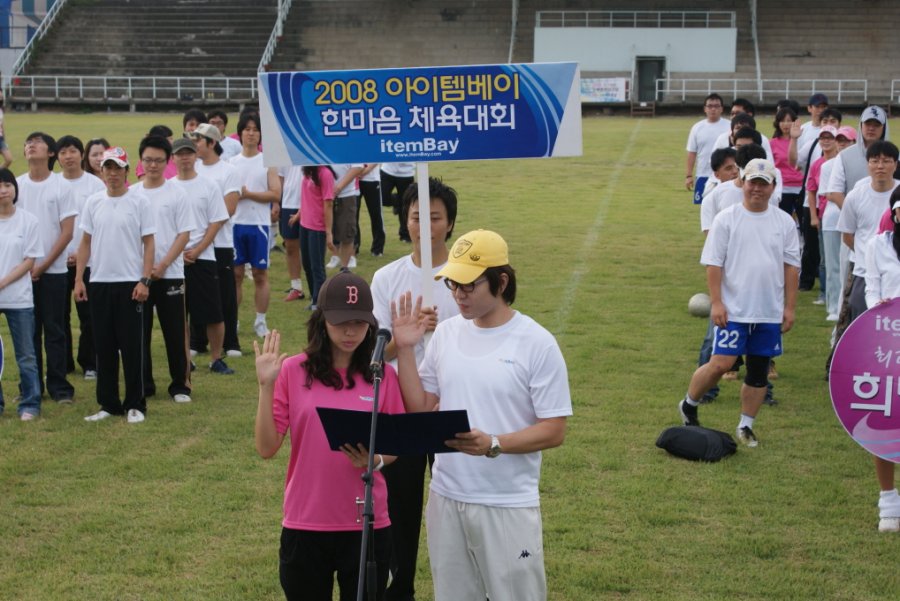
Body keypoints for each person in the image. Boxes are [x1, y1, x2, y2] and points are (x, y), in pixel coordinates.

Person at [391, 229, 572, 601]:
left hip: (506, 502)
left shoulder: (537, 343)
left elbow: (554, 430)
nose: (458, 295)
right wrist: (406, 350)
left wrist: (493, 443)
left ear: (501, 281)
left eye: (469, 286)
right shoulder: (445, 335)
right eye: (454, 285)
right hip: (446, 496)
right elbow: (420, 408)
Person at [254, 271, 405, 601]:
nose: (350, 331)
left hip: (367, 522)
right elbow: (267, 447)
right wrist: (266, 387)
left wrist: (375, 460)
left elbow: (394, 444)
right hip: (307, 521)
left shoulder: (383, 376)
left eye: (359, 322)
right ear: (322, 321)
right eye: (340, 322)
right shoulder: (293, 371)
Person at [370, 177, 460, 601]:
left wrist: (444, 332)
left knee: (456, 511)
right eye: (417, 216)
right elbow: (372, 354)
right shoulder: (387, 278)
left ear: (450, 223)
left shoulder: (465, 278)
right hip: (400, 411)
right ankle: (399, 590)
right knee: (401, 515)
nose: (425, 225)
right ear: (405, 222)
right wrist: (403, 337)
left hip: (451, 408)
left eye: (435, 217)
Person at [678, 159, 800, 446]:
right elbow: (713, 264)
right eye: (752, 182)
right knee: (721, 364)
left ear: (773, 187)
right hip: (734, 309)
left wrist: (789, 307)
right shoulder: (727, 218)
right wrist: (717, 302)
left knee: (759, 370)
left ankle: (746, 425)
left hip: (768, 311)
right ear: (743, 183)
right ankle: (689, 403)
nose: (757, 188)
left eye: (763, 183)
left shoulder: (784, 222)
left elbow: (791, 267)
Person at [76, 147, 155, 424]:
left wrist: (144, 279)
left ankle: (136, 403)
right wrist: (79, 280)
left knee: (132, 346)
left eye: (117, 168)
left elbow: (149, 243)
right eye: (108, 168)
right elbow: (85, 242)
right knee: (104, 345)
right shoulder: (93, 202)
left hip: (130, 283)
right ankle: (108, 403)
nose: (112, 174)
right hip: (99, 282)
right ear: (101, 170)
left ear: (126, 170)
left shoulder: (139, 202)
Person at [17, 131, 77, 404]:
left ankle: (59, 386)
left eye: (37, 142)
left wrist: (41, 266)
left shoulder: (61, 186)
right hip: (22, 273)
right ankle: (31, 388)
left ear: (50, 153)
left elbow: (66, 233)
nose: (30, 145)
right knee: (28, 333)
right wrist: (25, 267)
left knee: (54, 329)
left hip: (52, 272)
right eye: (28, 143)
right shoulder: (17, 185)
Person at [135, 136, 194, 402]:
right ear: (141, 161)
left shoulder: (177, 193)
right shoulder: (133, 194)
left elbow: (184, 234)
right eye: (148, 160)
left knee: (174, 331)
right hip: (139, 276)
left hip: (171, 274)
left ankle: (180, 385)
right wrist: (146, 270)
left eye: (159, 160)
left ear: (167, 161)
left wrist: (163, 264)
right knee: (139, 332)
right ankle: (144, 384)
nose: (153, 165)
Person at [173, 135, 233, 376]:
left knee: (213, 312)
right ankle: (185, 359)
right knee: (179, 312)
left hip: (204, 256)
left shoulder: (208, 185)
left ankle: (216, 358)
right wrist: (177, 253)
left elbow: (216, 222)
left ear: (195, 154)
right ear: (173, 157)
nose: (185, 157)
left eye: (189, 152)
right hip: (176, 260)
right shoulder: (169, 186)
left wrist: (197, 250)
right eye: (180, 153)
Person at [861, 188, 900, 531]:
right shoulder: (878, 245)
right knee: (885, 419)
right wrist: (879, 307)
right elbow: (870, 287)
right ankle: (887, 499)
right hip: (886, 342)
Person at [191, 122, 242, 357]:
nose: (194, 145)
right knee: (196, 294)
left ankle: (230, 342)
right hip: (193, 244)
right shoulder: (194, 169)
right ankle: (197, 341)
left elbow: (229, 207)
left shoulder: (228, 170)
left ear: (211, 143)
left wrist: (208, 228)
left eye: (198, 140)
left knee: (225, 294)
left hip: (220, 243)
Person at [229, 111, 281, 338]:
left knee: (260, 274)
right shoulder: (230, 163)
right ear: (240, 133)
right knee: (235, 275)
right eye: (247, 129)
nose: (251, 133)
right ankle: (234, 320)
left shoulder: (267, 162)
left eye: (255, 129)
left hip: (259, 225)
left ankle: (261, 321)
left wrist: (248, 193)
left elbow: (275, 193)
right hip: (234, 225)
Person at [58, 135, 105, 380]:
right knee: (58, 315)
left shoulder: (95, 185)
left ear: (81, 155)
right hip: (56, 261)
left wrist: (82, 253)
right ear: (57, 157)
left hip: (89, 260)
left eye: (73, 151)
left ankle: (90, 362)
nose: (68, 156)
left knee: (88, 314)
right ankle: (63, 363)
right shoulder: (54, 184)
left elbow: (102, 224)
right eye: (63, 152)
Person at [837, 140, 900, 322]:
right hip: (863, 271)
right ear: (867, 164)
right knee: (860, 321)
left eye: (886, 161)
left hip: (894, 272)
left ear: (895, 164)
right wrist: (872, 256)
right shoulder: (855, 196)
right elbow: (847, 235)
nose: (880, 166)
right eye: (875, 161)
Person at [0, 168, 43, 420]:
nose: (3, 190)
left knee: (26, 354)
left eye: (7, 185)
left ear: (15, 189)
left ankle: (30, 403)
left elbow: (30, 261)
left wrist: (4, 282)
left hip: (19, 298)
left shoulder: (28, 221)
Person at [297, 165, 335, 309]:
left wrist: (328, 232)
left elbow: (328, 203)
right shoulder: (307, 170)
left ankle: (320, 302)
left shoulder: (324, 173)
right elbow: (307, 197)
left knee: (317, 266)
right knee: (307, 264)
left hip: (317, 227)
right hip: (304, 225)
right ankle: (315, 298)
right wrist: (299, 214)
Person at [685, 93, 731, 203]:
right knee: (704, 208)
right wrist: (689, 175)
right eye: (710, 106)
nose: (713, 109)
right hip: (703, 175)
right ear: (705, 109)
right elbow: (692, 153)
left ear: (722, 109)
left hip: (725, 176)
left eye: (716, 106)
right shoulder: (697, 128)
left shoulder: (730, 126)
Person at [326, 163, 363, 270]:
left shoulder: (351, 145)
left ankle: (344, 268)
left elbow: (358, 167)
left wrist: (338, 187)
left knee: (347, 232)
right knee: (324, 232)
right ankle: (334, 256)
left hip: (346, 194)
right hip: (324, 194)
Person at [278, 165, 306, 302]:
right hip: (288, 203)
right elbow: (280, 178)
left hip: (310, 202)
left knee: (311, 249)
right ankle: (296, 287)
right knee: (290, 246)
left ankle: (317, 288)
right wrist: (276, 203)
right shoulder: (283, 149)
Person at [380, 162, 415, 240]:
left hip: (407, 173)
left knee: (405, 206)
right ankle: (397, 200)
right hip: (387, 171)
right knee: (381, 197)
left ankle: (405, 234)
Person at [358, 163, 385, 257]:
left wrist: (364, 171)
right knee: (353, 216)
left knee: (376, 214)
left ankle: (377, 249)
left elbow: (376, 157)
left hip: (372, 180)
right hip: (354, 180)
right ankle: (354, 247)